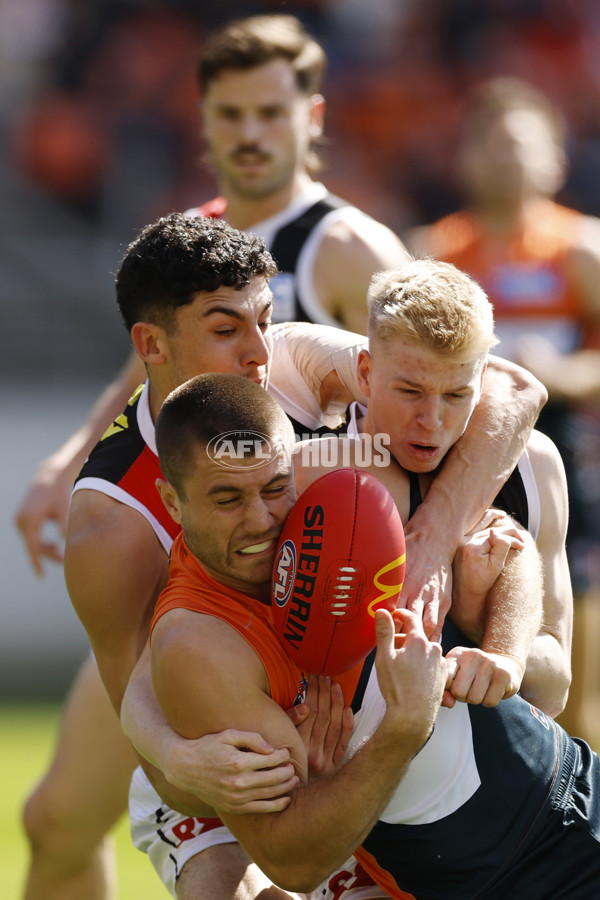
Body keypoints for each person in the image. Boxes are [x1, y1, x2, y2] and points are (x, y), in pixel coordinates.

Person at [24, 211, 542, 900]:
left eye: (263, 319)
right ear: (151, 344)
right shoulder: (111, 522)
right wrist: (193, 760)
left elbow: (508, 390)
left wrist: (430, 543)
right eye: (224, 329)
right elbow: (150, 718)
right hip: (225, 745)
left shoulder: (294, 361)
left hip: (345, 703)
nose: (257, 353)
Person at [16, 13, 408, 895]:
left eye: (271, 111)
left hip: (339, 616)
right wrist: (74, 457)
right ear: (203, 120)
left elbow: (445, 387)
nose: (250, 133)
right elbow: (144, 369)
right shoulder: (190, 241)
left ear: (312, 118)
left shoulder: (347, 253)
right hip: (189, 627)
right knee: (61, 821)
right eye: (231, 114)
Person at [144, 261, 590, 900]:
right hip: (429, 859)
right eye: (408, 392)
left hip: (559, 793)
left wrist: (499, 652)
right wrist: (166, 749)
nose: (430, 423)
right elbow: (169, 643)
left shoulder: (532, 467)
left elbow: (552, 677)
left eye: (457, 394)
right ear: (364, 373)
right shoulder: (312, 476)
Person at [411, 76, 600, 749]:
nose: (505, 159)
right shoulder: (434, 251)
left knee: (571, 677)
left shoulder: (581, 250)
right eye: (489, 143)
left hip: (565, 466)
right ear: (464, 157)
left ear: (555, 158)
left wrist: (551, 378)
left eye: (520, 145)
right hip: (458, 473)